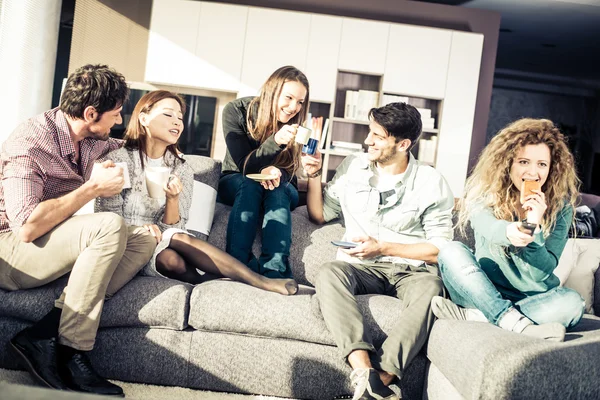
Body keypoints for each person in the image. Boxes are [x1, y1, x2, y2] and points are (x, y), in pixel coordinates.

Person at [0, 64, 157, 396]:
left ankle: (44, 333)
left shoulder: (87, 138)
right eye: (115, 114)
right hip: (8, 248)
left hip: (43, 240)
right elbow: (26, 227)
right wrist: (92, 189)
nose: (118, 120)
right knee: (109, 226)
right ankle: (73, 351)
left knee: (143, 238)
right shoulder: (31, 143)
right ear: (90, 113)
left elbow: (125, 143)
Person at [302, 102, 454, 400]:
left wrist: (384, 246)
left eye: (377, 136)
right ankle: (365, 372)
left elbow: (440, 249)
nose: (367, 141)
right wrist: (314, 174)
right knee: (329, 273)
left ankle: (382, 379)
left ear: (403, 143)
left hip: (410, 270)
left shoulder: (430, 182)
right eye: (369, 133)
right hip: (361, 268)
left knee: (433, 288)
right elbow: (320, 214)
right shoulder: (352, 167)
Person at [96, 90, 298, 295]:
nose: (177, 122)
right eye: (168, 115)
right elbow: (105, 217)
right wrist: (138, 229)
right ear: (144, 118)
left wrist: (173, 199)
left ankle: (227, 280)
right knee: (171, 252)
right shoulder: (120, 161)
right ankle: (258, 281)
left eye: (180, 118)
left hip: (161, 244)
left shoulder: (180, 168)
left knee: (171, 257)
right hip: (127, 243)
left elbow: (175, 226)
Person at [431, 118, 585, 342]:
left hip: (533, 299)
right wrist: (511, 231)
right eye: (524, 162)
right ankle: (511, 319)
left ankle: (485, 317)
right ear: (508, 163)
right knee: (451, 250)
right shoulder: (483, 196)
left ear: (552, 168)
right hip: (483, 292)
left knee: (573, 303)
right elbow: (491, 228)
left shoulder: (561, 208)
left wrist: (534, 224)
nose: (533, 172)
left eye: (542, 164)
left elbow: (541, 273)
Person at [218, 65, 309, 279]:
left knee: (277, 190)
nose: (294, 107)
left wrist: (277, 171)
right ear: (272, 90)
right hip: (236, 180)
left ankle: (275, 270)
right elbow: (245, 166)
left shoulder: (297, 125)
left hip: (282, 185)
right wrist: (275, 142)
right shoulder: (236, 110)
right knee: (250, 183)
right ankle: (237, 265)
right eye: (288, 98)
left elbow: (292, 170)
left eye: (300, 102)